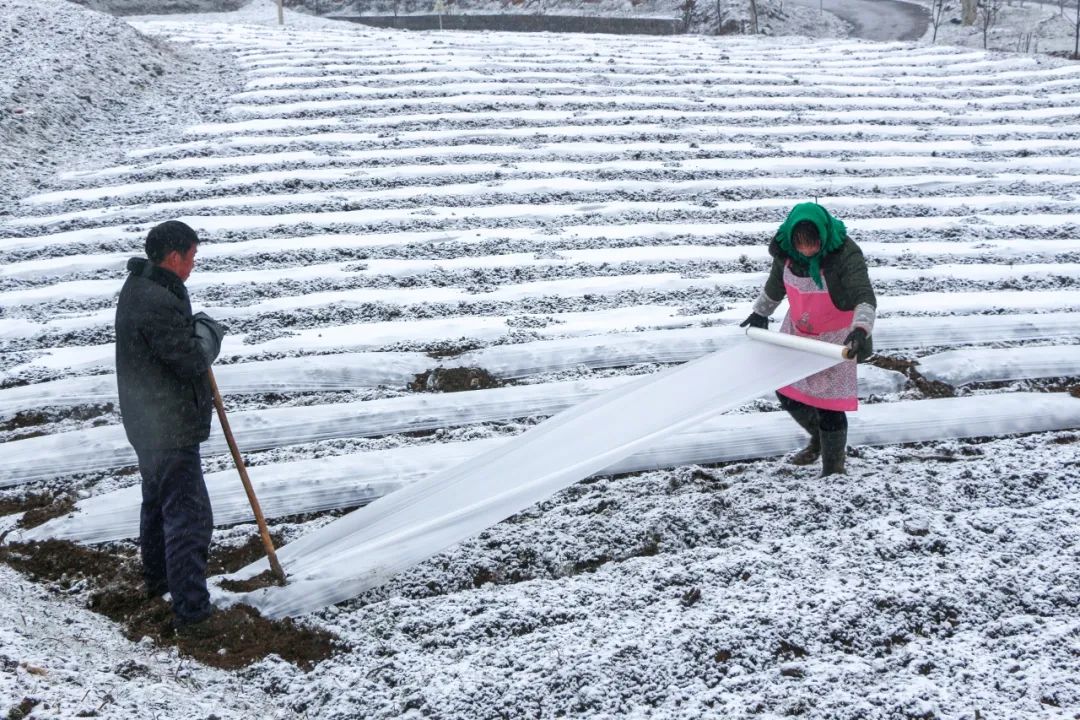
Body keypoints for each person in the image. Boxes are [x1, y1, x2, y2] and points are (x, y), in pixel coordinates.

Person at [115, 220, 225, 633]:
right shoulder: (156, 302)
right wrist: (209, 333)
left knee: (158, 505)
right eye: (192, 257)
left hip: (150, 424)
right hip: (168, 428)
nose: (194, 265)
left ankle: (160, 583)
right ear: (174, 256)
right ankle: (192, 614)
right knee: (189, 517)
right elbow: (192, 360)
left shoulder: (140, 289)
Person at [740, 202, 876, 476]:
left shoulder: (845, 253)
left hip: (837, 337)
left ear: (822, 237)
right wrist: (760, 313)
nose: (806, 251)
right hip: (799, 332)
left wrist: (860, 329)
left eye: (812, 244)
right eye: (800, 245)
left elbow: (864, 294)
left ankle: (833, 470)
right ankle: (818, 439)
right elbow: (775, 285)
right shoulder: (785, 251)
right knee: (786, 389)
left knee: (828, 405)